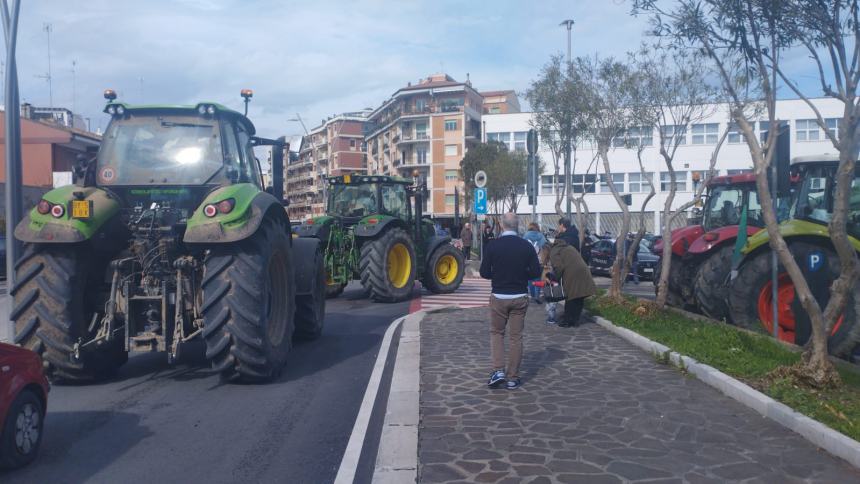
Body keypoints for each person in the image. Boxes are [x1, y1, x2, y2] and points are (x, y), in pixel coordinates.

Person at [479, 212, 541, 390]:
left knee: (497, 333)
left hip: (499, 296)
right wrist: (522, 275)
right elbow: (535, 272)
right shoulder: (526, 246)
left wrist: (497, 275)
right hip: (519, 296)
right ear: (518, 225)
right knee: (516, 337)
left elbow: (484, 272)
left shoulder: (493, 245)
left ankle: (498, 370)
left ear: (501, 224)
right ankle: (513, 378)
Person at [548, 237, 597, 327]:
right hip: (584, 272)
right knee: (579, 296)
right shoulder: (569, 247)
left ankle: (567, 321)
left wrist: (556, 279)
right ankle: (575, 320)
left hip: (572, 273)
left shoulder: (554, 250)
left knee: (570, 297)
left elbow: (559, 267)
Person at [522, 222, 548, 304]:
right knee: (538, 278)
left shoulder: (525, 236)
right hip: (539, 260)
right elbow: (544, 245)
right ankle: (537, 295)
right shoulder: (541, 236)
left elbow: (522, 246)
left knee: (530, 278)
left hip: (528, 260)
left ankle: (532, 295)